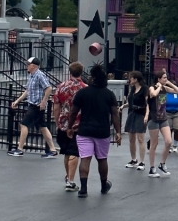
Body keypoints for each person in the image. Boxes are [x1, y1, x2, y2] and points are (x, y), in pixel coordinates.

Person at [69, 64, 120, 197]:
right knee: (102, 159)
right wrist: (118, 131)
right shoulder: (109, 95)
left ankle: (83, 189)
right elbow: (115, 114)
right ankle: (103, 185)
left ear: (92, 79)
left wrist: (69, 126)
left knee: (85, 159)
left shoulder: (83, 93)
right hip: (102, 131)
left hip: (85, 130)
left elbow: (73, 111)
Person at [9, 58, 57, 157]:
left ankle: (20, 149)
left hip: (36, 105)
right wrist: (17, 101)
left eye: (28, 64)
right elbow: (28, 91)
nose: (26, 66)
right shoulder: (31, 76)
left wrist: (43, 102)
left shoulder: (39, 75)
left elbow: (49, 88)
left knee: (24, 125)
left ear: (33, 66)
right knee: (42, 127)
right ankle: (53, 150)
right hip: (33, 104)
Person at [51, 62, 87, 191]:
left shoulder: (61, 87)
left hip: (64, 122)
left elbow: (56, 107)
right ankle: (70, 181)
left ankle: (68, 177)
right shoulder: (85, 88)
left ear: (70, 72)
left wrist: (57, 122)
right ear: (81, 72)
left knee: (66, 152)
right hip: (78, 124)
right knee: (74, 152)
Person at [146, 71, 178, 177]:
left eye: (166, 78)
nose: (166, 79)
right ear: (158, 79)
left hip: (163, 119)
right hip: (154, 119)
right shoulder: (152, 88)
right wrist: (159, 86)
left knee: (168, 141)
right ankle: (152, 168)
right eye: (164, 78)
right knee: (154, 144)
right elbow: (153, 94)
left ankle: (162, 163)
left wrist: (169, 83)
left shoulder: (165, 89)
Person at [123, 71, 148, 169]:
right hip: (132, 113)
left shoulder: (144, 89)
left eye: (131, 78)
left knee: (140, 138)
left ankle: (142, 162)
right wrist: (123, 106)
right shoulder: (132, 89)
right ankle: (134, 159)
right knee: (131, 138)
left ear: (136, 79)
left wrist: (146, 115)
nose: (130, 80)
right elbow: (130, 102)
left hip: (140, 114)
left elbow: (147, 103)